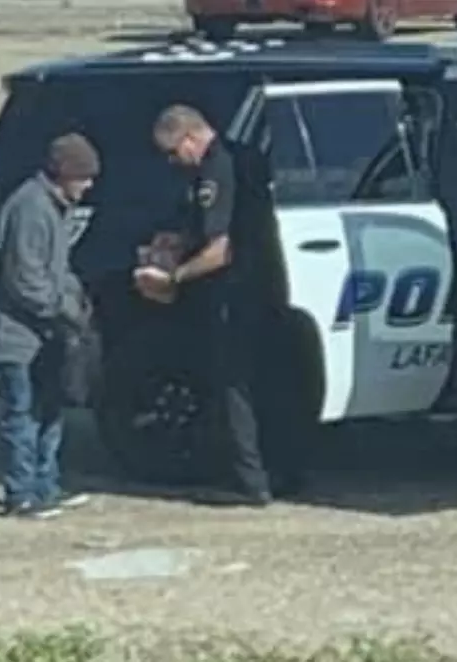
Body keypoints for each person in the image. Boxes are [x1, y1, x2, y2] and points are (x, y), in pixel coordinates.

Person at [134, 104, 296, 507]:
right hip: (269, 289)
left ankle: (248, 481)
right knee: (269, 384)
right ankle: (280, 471)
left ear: (190, 138)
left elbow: (220, 249)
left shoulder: (216, 170)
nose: (173, 163)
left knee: (233, 386)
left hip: (238, 293)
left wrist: (173, 277)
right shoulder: (245, 156)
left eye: (173, 153)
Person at [0, 133, 100, 519]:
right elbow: (26, 282)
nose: (89, 185)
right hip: (7, 333)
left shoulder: (55, 207)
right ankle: (20, 496)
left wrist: (76, 299)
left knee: (49, 407)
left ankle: (45, 487)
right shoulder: (31, 209)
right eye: (83, 177)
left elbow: (57, 269)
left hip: (37, 332)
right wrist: (66, 312)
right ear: (63, 175)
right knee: (23, 413)